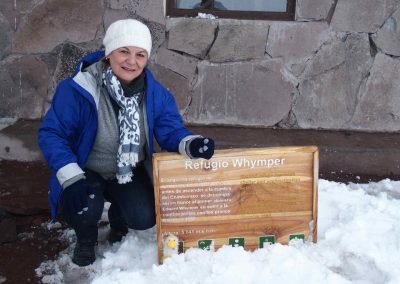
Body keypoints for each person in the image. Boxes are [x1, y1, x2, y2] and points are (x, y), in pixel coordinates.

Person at [38, 19, 215, 267]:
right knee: (82, 206)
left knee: (144, 216)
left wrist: (190, 143)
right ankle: (86, 239)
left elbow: (170, 129)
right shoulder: (77, 89)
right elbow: (52, 133)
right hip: (86, 169)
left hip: (127, 171)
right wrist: (70, 175)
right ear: (109, 53)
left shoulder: (155, 94)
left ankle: (117, 218)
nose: (132, 61)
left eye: (140, 55)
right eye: (124, 51)